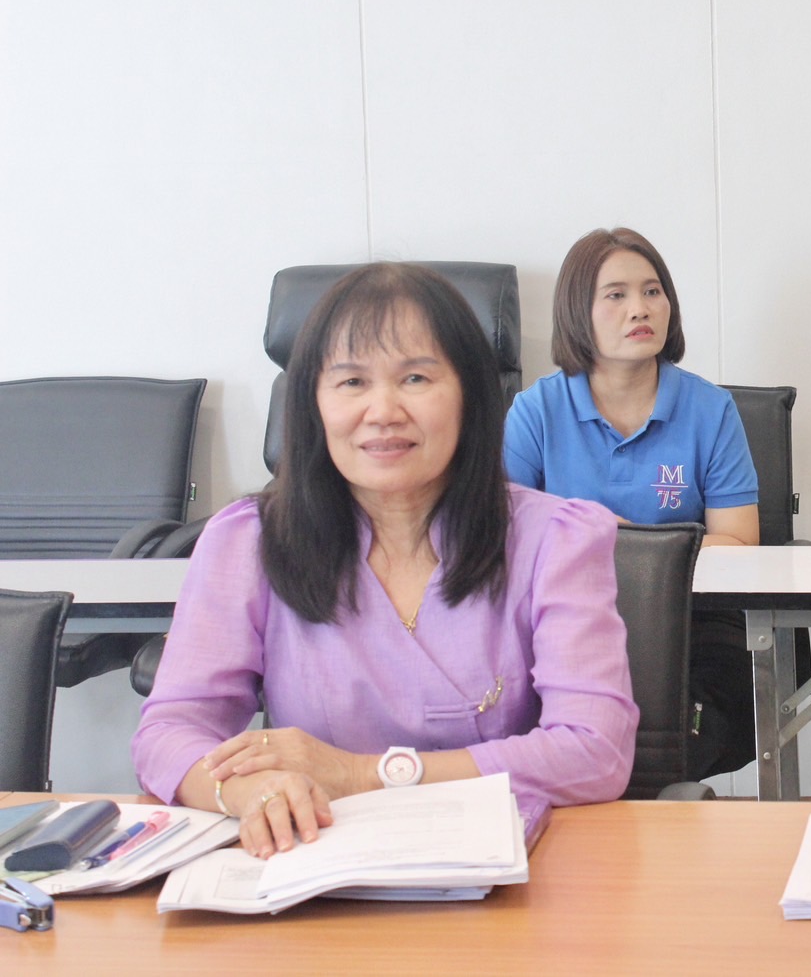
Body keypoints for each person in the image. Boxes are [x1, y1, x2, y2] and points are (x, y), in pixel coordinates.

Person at [133, 263, 637, 858]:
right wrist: (243, 792)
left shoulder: (553, 539)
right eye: (350, 383)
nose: (383, 411)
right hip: (312, 871)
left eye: (416, 378)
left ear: (471, 395)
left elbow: (594, 752)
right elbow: (167, 733)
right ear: (312, 406)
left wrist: (364, 774)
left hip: (500, 874)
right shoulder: (248, 541)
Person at [504, 227, 759, 779]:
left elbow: (739, 541)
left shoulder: (710, 409)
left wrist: (630, 545)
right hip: (563, 619)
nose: (640, 308)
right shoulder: (535, 411)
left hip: (690, 619)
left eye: (653, 291)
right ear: (578, 311)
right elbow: (504, 539)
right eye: (615, 295)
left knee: (697, 722)